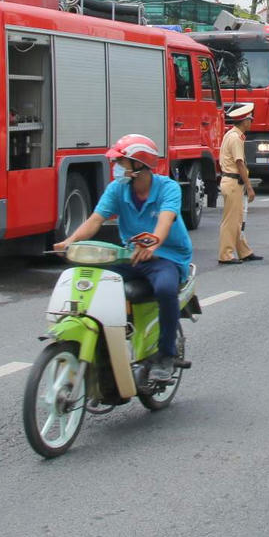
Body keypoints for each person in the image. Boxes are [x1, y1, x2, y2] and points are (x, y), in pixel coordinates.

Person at [55, 134, 192, 382]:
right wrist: (69, 241)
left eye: (122, 162)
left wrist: (153, 243)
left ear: (139, 164)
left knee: (165, 289)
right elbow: (95, 220)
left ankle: (166, 355)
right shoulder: (117, 189)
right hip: (131, 256)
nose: (117, 168)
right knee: (96, 281)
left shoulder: (168, 188)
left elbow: (166, 219)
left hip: (166, 257)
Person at [218, 103, 259, 265]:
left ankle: (244, 251)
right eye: (250, 119)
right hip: (233, 181)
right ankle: (225, 255)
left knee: (238, 218)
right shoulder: (236, 138)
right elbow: (240, 163)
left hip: (232, 181)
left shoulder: (232, 135)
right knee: (231, 220)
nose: (251, 122)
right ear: (244, 121)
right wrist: (249, 187)